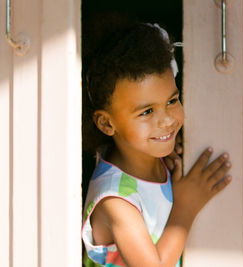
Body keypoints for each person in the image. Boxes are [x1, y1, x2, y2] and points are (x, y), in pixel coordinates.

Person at [81, 22, 232, 267]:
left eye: (172, 100)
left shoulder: (152, 157)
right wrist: (186, 206)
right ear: (107, 124)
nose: (167, 120)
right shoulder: (115, 201)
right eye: (147, 111)